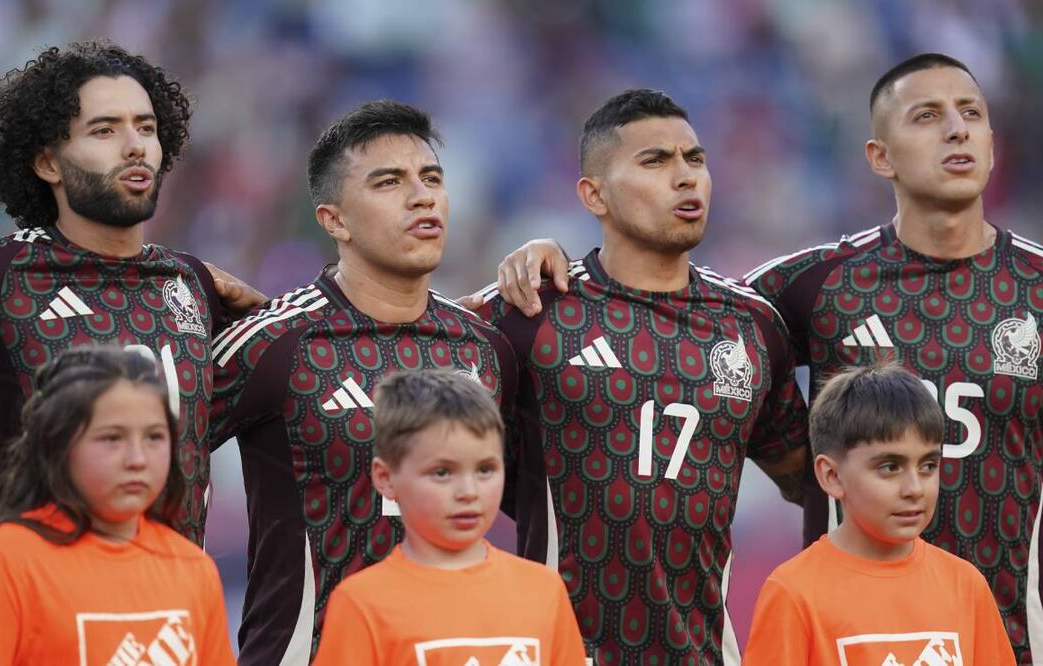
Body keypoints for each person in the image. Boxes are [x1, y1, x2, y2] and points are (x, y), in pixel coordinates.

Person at [471, 89, 809, 664]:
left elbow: (813, 479)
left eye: (694, 160)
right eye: (655, 161)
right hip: (556, 651)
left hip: (703, 653)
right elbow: (402, 339)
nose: (686, 178)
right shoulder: (531, 313)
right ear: (593, 194)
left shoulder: (750, 326)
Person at [739, 53, 1043, 662]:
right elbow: (690, 336)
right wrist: (804, 467)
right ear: (880, 156)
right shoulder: (817, 285)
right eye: (927, 116)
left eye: (971, 114)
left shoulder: (1037, 285)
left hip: (1011, 631)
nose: (956, 129)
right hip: (857, 637)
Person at [208, 100, 518, 665]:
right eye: (389, 182)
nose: (422, 196)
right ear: (334, 220)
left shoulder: (484, 346)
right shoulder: (275, 342)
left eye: (431, 178)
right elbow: (152, 442)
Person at [0, 40, 263, 546]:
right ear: (47, 163)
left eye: (146, 127)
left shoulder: (193, 284)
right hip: (45, 603)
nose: (135, 145)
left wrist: (273, 318)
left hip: (176, 600)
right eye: (105, 130)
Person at [0, 346, 235, 665]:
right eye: (112, 438)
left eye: (155, 437)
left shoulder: (193, 568)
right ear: (59, 446)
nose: (137, 459)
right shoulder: (5, 563)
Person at [744, 364, 1015, 665]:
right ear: (832, 476)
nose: (914, 488)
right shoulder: (793, 593)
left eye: (928, 466)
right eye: (890, 467)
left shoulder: (967, 585)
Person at [312, 370, 584, 665]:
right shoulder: (361, 604)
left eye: (485, 469)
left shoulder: (543, 590)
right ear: (386, 478)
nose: (468, 492)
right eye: (442, 472)